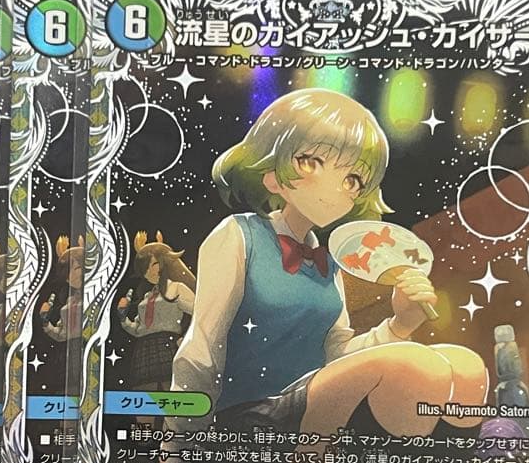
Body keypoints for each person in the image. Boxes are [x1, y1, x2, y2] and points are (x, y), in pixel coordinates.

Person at [168, 88, 487, 442]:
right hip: (246, 417)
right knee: (418, 367)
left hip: (313, 407)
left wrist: (401, 324)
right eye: (312, 161)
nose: (337, 187)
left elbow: (339, 356)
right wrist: (178, 444)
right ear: (271, 171)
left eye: (353, 180)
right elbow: (202, 347)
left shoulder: (328, 263)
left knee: (466, 368)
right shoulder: (239, 235)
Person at [117, 231, 196, 394]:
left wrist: (187, 338)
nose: (148, 271)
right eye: (145, 268)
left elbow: (200, 313)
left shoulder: (176, 288)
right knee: (143, 395)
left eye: (153, 264)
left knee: (171, 393)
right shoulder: (147, 297)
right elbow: (138, 329)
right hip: (143, 349)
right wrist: (123, 316)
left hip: (168, 345)